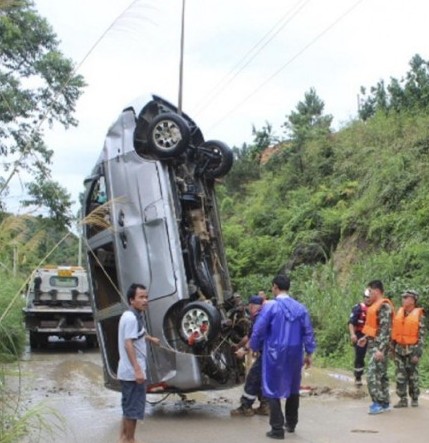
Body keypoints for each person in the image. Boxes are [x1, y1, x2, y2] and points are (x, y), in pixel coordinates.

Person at [250, 275, 316, 440]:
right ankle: (291, 424)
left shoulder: (270, 307)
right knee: (293, 386)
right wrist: (309, 353)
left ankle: (277, 428)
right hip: (295, 352)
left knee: (272, 388)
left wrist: (254, 347)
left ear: (275, 287)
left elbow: (259, 329)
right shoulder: (300, 308)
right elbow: (308, 331)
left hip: (274, 352)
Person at [117, 283, 160, 443]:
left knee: (128, 408)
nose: (145, 300)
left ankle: (123, 439)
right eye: (141, 297)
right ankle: (130, 439)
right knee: (133, 410)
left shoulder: (133, 316)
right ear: (131, 300)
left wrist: (150, 339)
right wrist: (137, 370)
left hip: (129, 372)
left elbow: (136, 335)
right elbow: (128, 343)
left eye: (146, 297)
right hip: (132, 373)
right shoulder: (131, 318)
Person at [358, 280, 394, 415]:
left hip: (379, 347)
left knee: (372, 375)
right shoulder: (376, 306)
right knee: (381, 374)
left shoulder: (384, 307)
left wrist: (381, 349)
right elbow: (376, 328)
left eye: (370, 291)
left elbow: (386, 330)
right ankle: (384, 402)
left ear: (377, 291)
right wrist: (365, 338)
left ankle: (378, 403)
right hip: (375, 344)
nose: (369, 294)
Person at [231, 295, 269, 417]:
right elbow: (248, 336)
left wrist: (244, 349)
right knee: (262, 378)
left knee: (253, 377)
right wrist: (238, 345)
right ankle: (265, 406)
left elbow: (254, 337)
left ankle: (245, 407)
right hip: (272, 354)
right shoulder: (261, 317)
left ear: (252, 306)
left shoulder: (259, 318)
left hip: (267, 354)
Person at [391, 289, 425, 408]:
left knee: (412, 376)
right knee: (400, 375)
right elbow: (394, 333)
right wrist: (392, 349)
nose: (403, 299)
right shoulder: (399, 313)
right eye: (403, 297)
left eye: (406, 297)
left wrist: (417, 354)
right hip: (399, 349)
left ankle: (414, 398)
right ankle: (403, 399)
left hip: (412, 350)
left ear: (413, 300)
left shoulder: (419, 315)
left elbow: (421, 338)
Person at [348, 289, 370, 386]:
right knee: (359, 356)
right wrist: (353, 334)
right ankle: (358, 377)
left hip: (372, 335)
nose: (368, 299)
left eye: (369, 297)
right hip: (360, 335)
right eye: (366, 297)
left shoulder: (376, 308)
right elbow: (351, 322)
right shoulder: (358, 308)